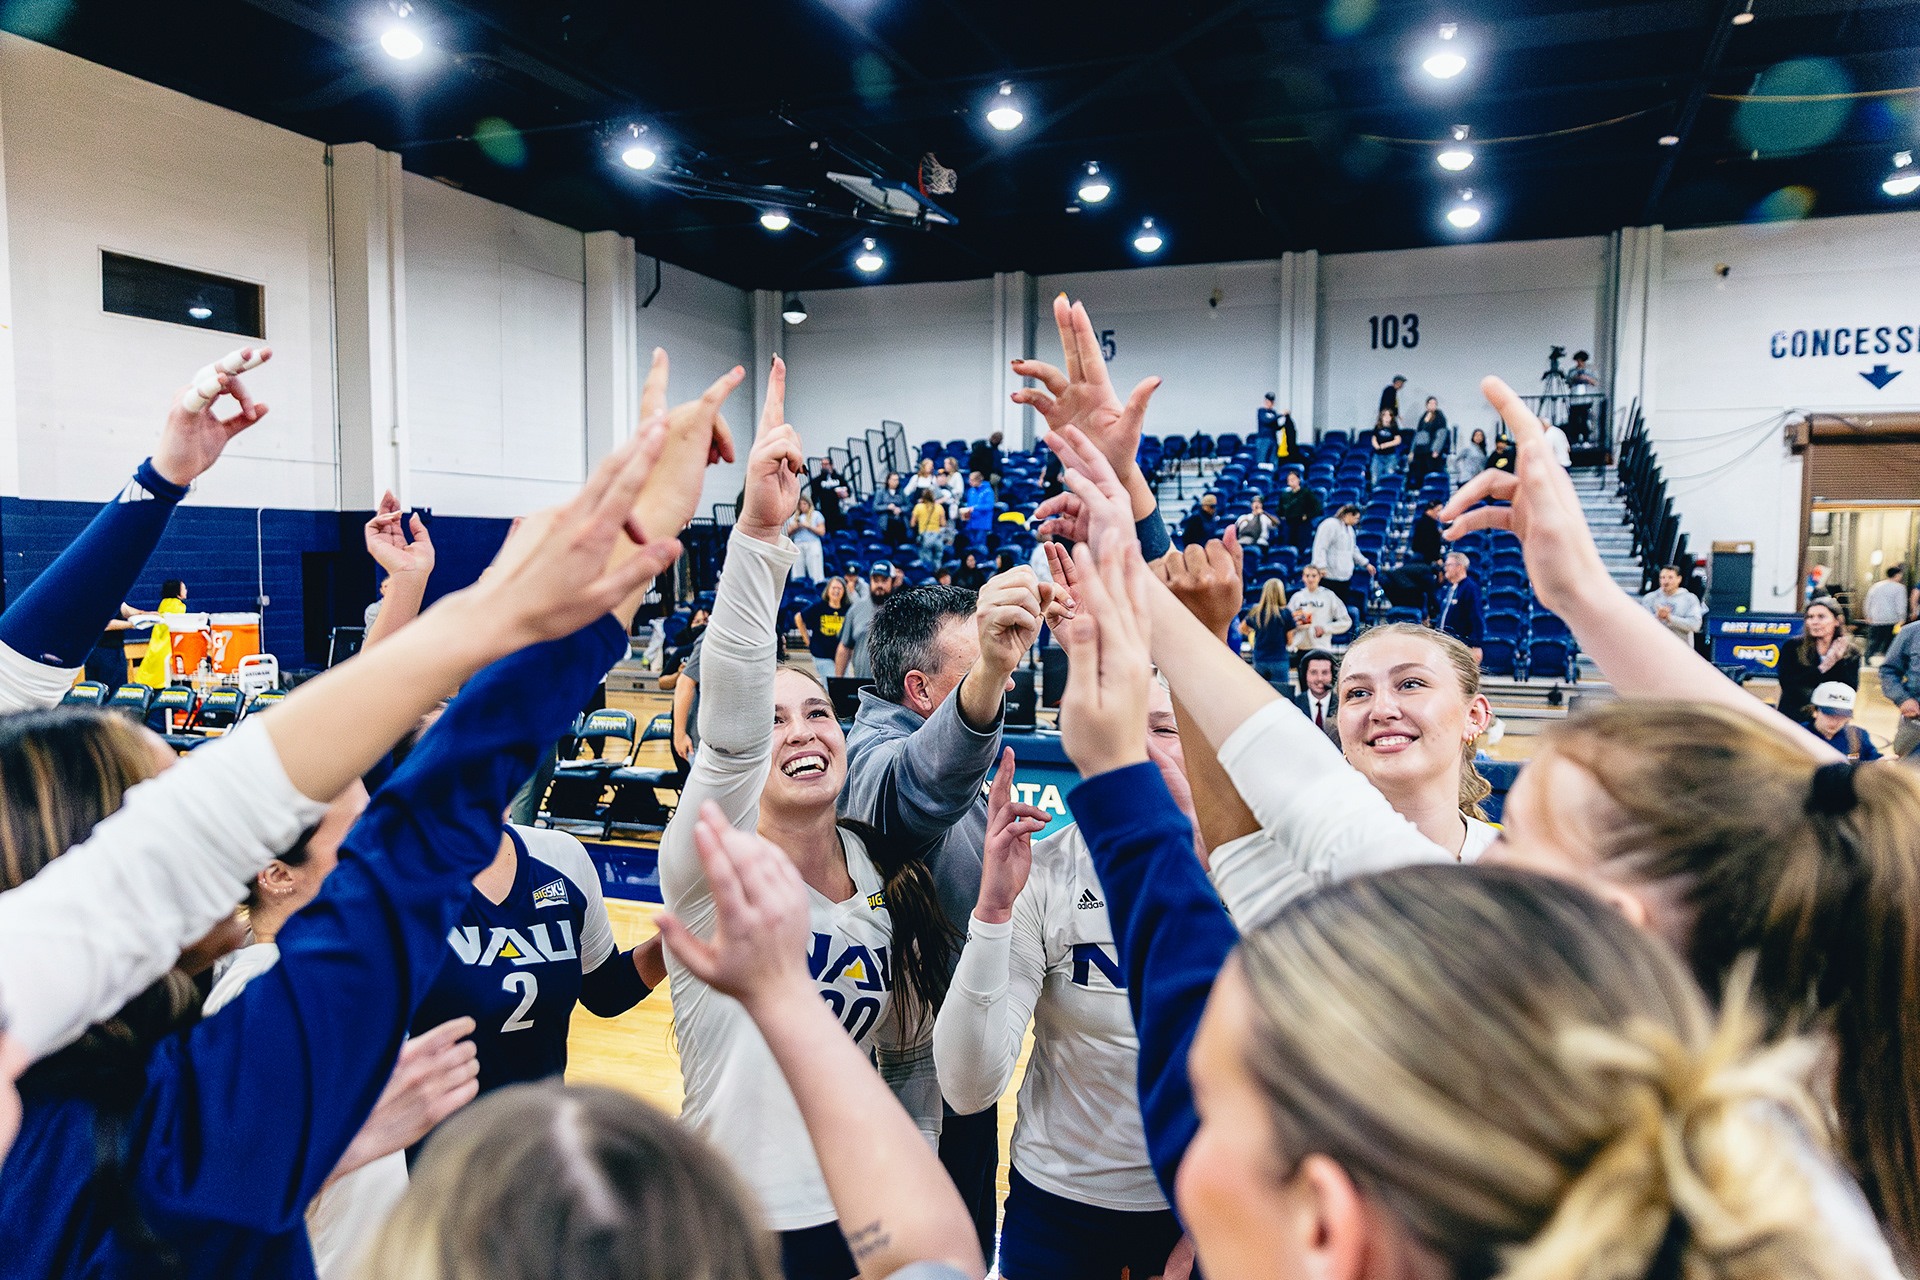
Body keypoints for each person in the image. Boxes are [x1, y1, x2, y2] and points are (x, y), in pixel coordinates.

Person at [1064, 403, 1920, 1267]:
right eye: (1357, 690)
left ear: (1616, 930)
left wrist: (1122, 763)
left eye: (1517, 854)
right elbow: (1841, 800)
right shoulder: (1763, 1146)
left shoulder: (1515, 1133)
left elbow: (1310, 828)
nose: (1482, 866)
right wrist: (1582, 592)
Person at [0, 408, 696, 1277]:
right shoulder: (214, 1108)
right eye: (177, 810)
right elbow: (424, 821)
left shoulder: (147, 1112)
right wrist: (569, 596)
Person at [367, 814, 988, 1280]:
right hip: (430, 1164)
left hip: (549, 1155)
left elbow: (604, 991)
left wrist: (682, 942)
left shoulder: (559, 859)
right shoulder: (386, 882)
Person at [659, 386, 958, 1280]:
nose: (802, 731)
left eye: (819, 713)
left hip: (853, 1220)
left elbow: (902, 1073)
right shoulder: (711, 861)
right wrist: (757, 536)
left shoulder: (875, 871)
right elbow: (735, 718)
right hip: (728, 1221)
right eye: (779, 720)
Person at [929, 696, 1195, 1280]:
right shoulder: (1045, 871)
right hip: (1056, 1206)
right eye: (1118, 728)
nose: (1136, 746)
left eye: (1163, 728)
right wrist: (994, 910)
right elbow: (966, 1086)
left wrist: (1202, 1241)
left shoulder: (1248, 873)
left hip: (1201, 1204)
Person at [841, 571, 1056, 1266]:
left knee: (964, 1246)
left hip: (956, 1058)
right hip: (903, 1082)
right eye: (978, 668)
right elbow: (926, 783)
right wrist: (991, 667)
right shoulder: (868, 763)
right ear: (920, 690)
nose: (1004, 685)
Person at [1775, 596, 1860, 724]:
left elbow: (1848, 689)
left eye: (1821, 617)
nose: (1814, 622)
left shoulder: (1851, 652)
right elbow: (1789, 685)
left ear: (1837, 621)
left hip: (1832, 719)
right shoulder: (1792, 647)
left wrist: (1839, 662)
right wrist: (1825, 666)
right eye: (1810, 617)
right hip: (1795, 717)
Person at [835, 562, 896, 679]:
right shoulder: (856, 609)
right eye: (876, 580)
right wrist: (838, 681)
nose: (880, 585)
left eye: (884, 581)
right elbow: (844, 647)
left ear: (892, 582)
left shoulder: (902, 610)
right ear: (870, 581)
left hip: (894, 690)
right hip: (862, 684)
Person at [1310, 504, 1372, 613]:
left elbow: (1353, 550)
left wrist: (1365, 563)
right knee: (1326, 609)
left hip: (1344, 577)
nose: (1356, 521)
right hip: (1329, 576)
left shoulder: (1350, 530)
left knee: (1340, 610)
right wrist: (1320, 566)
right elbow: (1320, 546)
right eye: (1356, 518)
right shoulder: (1330, 524)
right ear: (1348, 515)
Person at [1285, 564, 1351, 662]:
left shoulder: (1328, 596)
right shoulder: (1297, 597)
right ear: (1303, 577)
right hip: (1301, 646)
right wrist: (1296, 622)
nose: (1310, 579)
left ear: (1320, 577)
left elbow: (1346, 622)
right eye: (1307, 576)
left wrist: (1325, 628)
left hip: (1322, 646)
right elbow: (1287, 622)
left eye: (1314, 576)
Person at [130, 578, 189, 687]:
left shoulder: (163, 604)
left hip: (156, 646)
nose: (186, 590)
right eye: (184, 588)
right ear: (178, 593)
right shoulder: (179, 606)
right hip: (168, 648)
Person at [1803, 681, 1882, 761]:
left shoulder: (1858, 736)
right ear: (1814, 711)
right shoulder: (1799, 735)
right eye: (1830, 715)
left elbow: (1873, 759)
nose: (1836, 721)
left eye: (1842, 716)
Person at [1238, 579, 1293, 692]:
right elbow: (1289, 641)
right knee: (1281, 695)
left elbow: (1241, 628)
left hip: (1260, 658)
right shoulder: (1285, 613)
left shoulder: (1256, 611)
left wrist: (1252, 633)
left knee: (1260, 695)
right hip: (1279, 659)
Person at [1877, 619, 1920, 761]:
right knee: (1906, 776)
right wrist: (1903, 699)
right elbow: (1888, 670)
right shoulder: (1911, 632)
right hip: (1915, 723)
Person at [1432, 551, 1483, 663]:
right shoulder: (1448, 588)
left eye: (1449, 565)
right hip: (1445, 644)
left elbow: (1476, 617)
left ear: (1460, 567)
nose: (1445, 569)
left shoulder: (1470, 588)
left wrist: (1476, 645)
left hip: (1461, 647)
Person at [796, 577, 850, 682]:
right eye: (834, 588)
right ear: (828, 590)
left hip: (842, 655)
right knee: (832, 683)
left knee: (843, 684)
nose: (836, 591)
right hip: (822, 654)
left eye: (839, 588)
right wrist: (807, 640)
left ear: (844, 591)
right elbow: (799, 617)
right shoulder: (818, 607)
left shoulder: (848, 609)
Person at [1641, 563, 1704, 642]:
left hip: (1681, 649)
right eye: (1663, 577)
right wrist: (1658, 616)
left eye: (1670, 577)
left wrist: (1670, 618)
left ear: (1679, 579)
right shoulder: (1649, 599)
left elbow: (1695, 625)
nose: (1666, 581)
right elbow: (1641, 625)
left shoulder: (1690, 599)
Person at [1290, 649, 1338, 742]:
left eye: (1325, 673)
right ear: (1305, 675)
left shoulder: (1341, 705)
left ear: (1333, 675)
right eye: (1313, 672)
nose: (1319, 678)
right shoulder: (1294, 705)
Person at [1866, 565, 1906, 661]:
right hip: (1892, 619)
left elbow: (1868, 601)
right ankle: (1890, 661)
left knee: (1875, 641)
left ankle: (1867, 657)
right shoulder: (1900, 588)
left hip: (1876, 618)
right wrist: (1902, 618)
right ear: (1897, 575)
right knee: (1891, 642)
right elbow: (1900, 604)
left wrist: (1868, 615)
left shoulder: (1876, 586)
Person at [1272, 468, 1320, 548]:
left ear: (1298, 480)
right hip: (1289, 524)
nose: (1291, 481)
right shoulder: (1285, 496)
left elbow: (1316, 508)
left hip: (1303, 524)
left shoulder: (1306, 493)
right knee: (1288, 545)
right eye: (1289, 479)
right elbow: (1279, 510)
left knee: (1302, 546)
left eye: (1293, 479)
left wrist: (1307, 515)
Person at [786, 497, 827, 583]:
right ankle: (798, 586)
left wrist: (808, 526)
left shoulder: (816, 515)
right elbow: (788, 532)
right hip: (798, 543)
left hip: (812, 543)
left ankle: (817, 585)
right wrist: (796, 526)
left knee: (815, 568)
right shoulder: (795, 517)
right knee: (798, 568)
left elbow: (822, 531)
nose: (802, 506)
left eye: (804, 504)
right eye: (800, 504)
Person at [1408, 397, 1448, 483]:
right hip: (1420, 450)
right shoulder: (1423, 417)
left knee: (1431, 473)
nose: (1432, 405)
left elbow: (1441, 435)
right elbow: (1417, 434)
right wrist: (1412, 451)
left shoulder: (1440, 417)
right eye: (1430, 403)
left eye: (1434, 403)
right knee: (1419, 474)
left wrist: (1436, 449)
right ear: (1426, 405)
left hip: (1430, 450)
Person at [912, 489, 948, 569]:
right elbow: (943, 523)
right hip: (937, 537)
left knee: (926, 562)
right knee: (938, 560)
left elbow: (912, 523)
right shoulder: (939, 507)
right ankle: (937, 576)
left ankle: (928, 578)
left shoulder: (918, 507)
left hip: (925, 537)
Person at [810, 458, 848, 534]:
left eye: (826, 464)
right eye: (822, 464)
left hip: (838, 509)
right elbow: (814, 496)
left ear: (831, 465)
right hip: (825, 510)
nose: (824, 466)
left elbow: (848, 490)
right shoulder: (817, 480)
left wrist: (844, 493)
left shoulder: (839, 478)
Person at [872, 472, 911, 546]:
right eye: (894, 480)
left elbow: (908, 506)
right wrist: (887, 507)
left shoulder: (901, 492)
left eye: (897, 480)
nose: (896, 482)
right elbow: (875, 507)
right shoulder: (881, 492)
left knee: (902, 543)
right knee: (889, 543)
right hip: (887, 522)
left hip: (900, 521)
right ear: (888, 480)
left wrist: (900, 509)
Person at [1366, 408, 1401, 485]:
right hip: (1378, 456)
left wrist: (1386, 445)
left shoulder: (1394, 428)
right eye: (1385, 415)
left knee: (1389, 476)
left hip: (1390, 456)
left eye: (1389, 415)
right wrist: (1376, 445)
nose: (1387, 417)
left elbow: (1398, 440)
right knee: (1375, 478)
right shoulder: (1377, 427)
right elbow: (1374, 438)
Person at [960, 471, 996, 546]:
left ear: (978, 480)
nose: (969, 482)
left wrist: (975, 508)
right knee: (971, 544)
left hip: (982, 523)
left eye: (972, 480)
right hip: (971, 522)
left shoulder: (988, 491)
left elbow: (989, 506)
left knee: (980, 545)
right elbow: (969, 505)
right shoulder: (971, 491)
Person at [1407, 497, 1446, 565]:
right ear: (1430, 510)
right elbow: (1428, 543)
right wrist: (1436, 558)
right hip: (1423, 558)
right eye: (1438, 510)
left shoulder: (1429, 523)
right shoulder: (1427, 524)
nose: (1439, 514)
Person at [1253, 393, 1279, 466]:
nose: (1270, 403)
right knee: (1262, 460)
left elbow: (1276, 427)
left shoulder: (1273, 412)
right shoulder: (1261, 411)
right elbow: (1267, 420)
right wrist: (1281, 415)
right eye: (1268, 401)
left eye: (1271, 401)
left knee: (1273, 461)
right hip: (1263, 439)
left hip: (1273, 439)